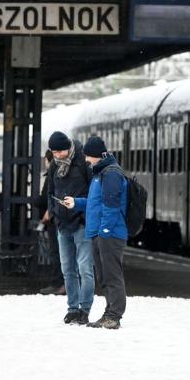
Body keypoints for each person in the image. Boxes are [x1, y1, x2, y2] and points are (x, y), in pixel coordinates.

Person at [63, 136, 128, 330]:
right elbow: (95, 203)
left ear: (96, 155)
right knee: (103, 276)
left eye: (88, 157)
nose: (86, 161)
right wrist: (76, 203)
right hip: (99, 233)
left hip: (109, 234)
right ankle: (109, 313)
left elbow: (111, 206)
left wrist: (105, 231)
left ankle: (114, 315)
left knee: (112, 276)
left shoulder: (111, 174)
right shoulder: (100, 174)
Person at [46, 131, 94, 325]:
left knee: (85, 269)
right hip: (62, 224)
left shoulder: (83, 163)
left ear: (68, 148)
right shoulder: (53, 167)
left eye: (60, 151)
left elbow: (94, 193)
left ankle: (85, 309)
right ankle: (72, 308)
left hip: (81, 223)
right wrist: (54, 212)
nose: (57, 156)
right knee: (68, 269)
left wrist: (80, 209)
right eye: (54, 152)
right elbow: (50, 192)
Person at [37, 150, 65, 295]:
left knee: (56, 252)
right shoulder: (65, 173)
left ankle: (57, 283)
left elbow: (46, 198)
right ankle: (64, 283)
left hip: (54, 219)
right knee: (65, 253)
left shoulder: (52, 174)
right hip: (62, 218)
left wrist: (34, 201)